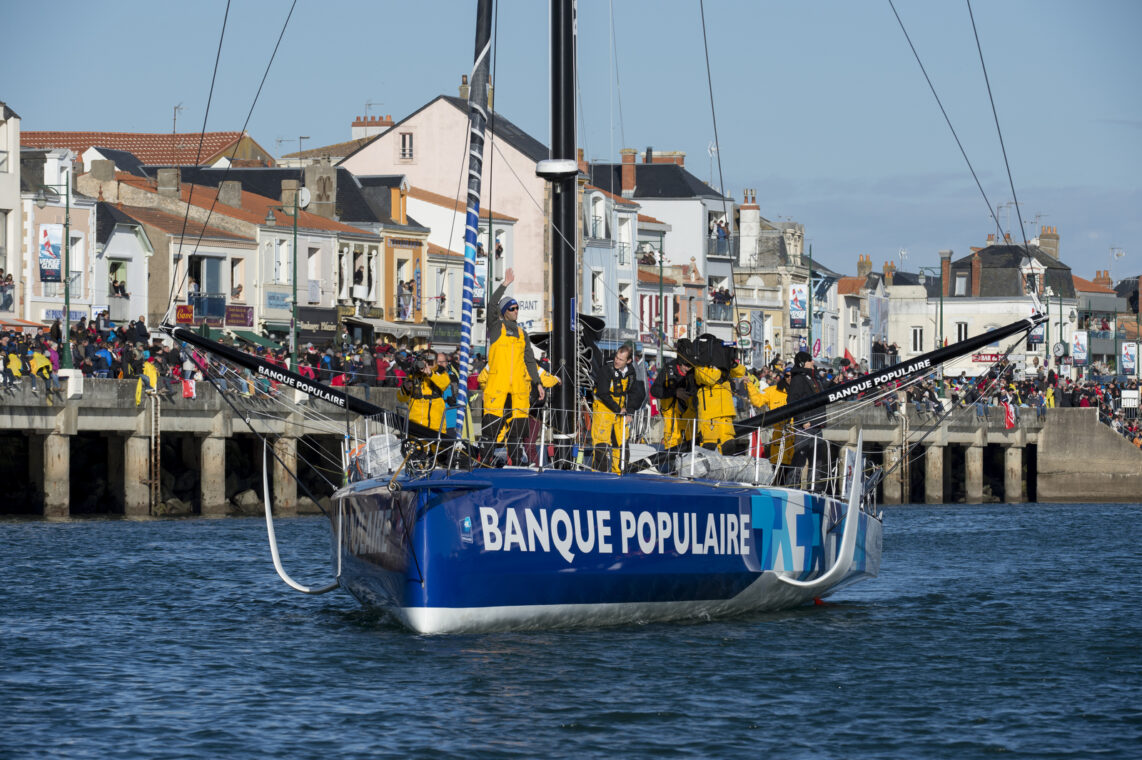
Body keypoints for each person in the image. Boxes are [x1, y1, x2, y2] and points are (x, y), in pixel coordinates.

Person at [480, 268, 555, 465]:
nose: (516, 311)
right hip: (498, 387)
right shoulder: (496, 328)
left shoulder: (522, 333)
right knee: (491, 430)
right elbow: (491, 306)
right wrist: (505, 284)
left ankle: (515, 462)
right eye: (512, 309)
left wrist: (538, 384)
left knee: (517, 431)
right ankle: (484, 461)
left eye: (517, 308)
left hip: (518, 391)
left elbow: (530, 361)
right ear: (505, 312)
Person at [591, 343, 645, 473]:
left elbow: (635, 393)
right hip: (603, 408)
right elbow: (603, 393)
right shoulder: (606, 370)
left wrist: (630, 412)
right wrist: (618, 409)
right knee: (601, 443)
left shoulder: (631, 373)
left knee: (621, 442)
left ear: (629, 361)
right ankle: (600, 474)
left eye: (621, 359)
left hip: (620, 411)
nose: (617, 361)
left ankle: (620, 472)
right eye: (616, 357)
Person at [785, 350, 826, 487]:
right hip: (806, 425)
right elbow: (792, 401)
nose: (813, 362)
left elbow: (822, 395)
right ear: (803, 363)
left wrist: (833, 384)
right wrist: (802, 420)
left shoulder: (815, 378)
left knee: (817, 461)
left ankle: (814, 488)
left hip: (817, 423)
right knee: (799, 459)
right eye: (810, 360)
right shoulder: (798, 379)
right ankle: (792, 486)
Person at [398, 351, 453, 435]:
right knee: (415, 446)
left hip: (435, 424)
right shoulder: (413, 375)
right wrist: (405, 387)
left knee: (437, 446)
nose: (428, 364)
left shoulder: (441, 373)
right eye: (425, 361)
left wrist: (430, 374)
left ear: (435, 362)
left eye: (430, 361)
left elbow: (444, 383)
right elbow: (401, 398)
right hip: (415, 423)